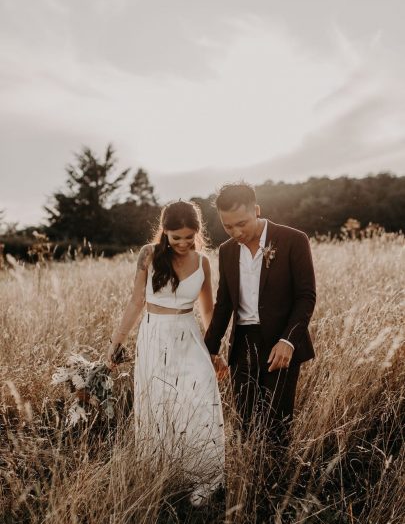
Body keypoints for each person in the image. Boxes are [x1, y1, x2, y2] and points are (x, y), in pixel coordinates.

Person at [107, 200, 225, 506]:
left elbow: (208, 310)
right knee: (159, 399)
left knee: (198, 397)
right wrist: (117, 341)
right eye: (177, 238)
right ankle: (162, 472)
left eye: (189, 236)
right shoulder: (148, 255)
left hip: (190, 337)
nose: (184, 243)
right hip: (154, 334)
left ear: (197, 233)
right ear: (165, 233)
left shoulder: (203, 262)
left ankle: (204, 475)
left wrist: (215, 350)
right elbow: (136, 302)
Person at [204, 182, 316, 446]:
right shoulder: (226, 251)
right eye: (228, 226)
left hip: (280, 343)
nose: (236, 232)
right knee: (245, 424)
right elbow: (224, 304)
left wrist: (288, 340)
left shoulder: (293, 240)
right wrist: (209, 348)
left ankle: (277, 483)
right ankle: (250, 481)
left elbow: (306, 296)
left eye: (242, 223)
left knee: (277, 426)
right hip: (242, 344)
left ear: (256, 210)